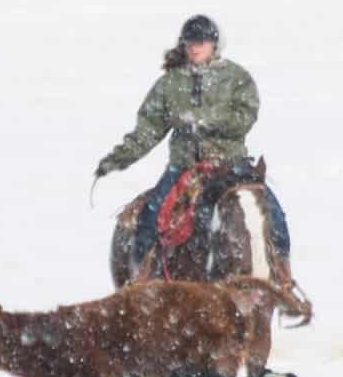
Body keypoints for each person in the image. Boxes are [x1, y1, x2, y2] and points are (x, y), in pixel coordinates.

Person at [93, 14, 263, 274]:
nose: (195, 47)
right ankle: (142, 279)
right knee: (151, 214)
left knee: (267, 211)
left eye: (202, 42)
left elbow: (245, 118)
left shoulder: (237, 78)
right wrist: (118, 159)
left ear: (214, 45)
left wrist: (206, 120)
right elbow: (147, 130)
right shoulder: (169, 84)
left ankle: (279, 275)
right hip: (182, 167)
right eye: (190, 42)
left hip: (228, 166)